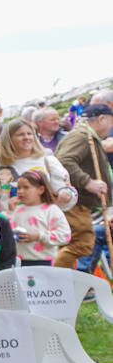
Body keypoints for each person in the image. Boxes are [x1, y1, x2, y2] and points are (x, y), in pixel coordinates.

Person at [54, 102, 113, 269]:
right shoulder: (82, 135)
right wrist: (88, 182)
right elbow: (64, 161)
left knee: (75, 243)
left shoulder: (87, 135)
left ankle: (67, 285)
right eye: (111, 121)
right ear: (101, 119)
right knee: (83, 244)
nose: (111, 126)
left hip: (79, 202)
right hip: (76, 203)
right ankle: (55, 281)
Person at [0, 118, 75, 211]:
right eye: (20, 135)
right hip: (7, 223)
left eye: (29, 134)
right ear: (9, 139)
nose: (26, 137)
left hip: (42, 222)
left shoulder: (48, 162)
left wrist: (66, 195)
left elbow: (63, 194)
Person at [9, 170, 71, 267]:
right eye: (19, 188)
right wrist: (10, 212)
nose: (20, 191)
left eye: (26, 187)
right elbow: (8, 231)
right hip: (18, 262)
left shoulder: (51, 210)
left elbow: (65, 235)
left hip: (43, 262)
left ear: (41, 190)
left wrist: (39, 236)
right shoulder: (17, 210)